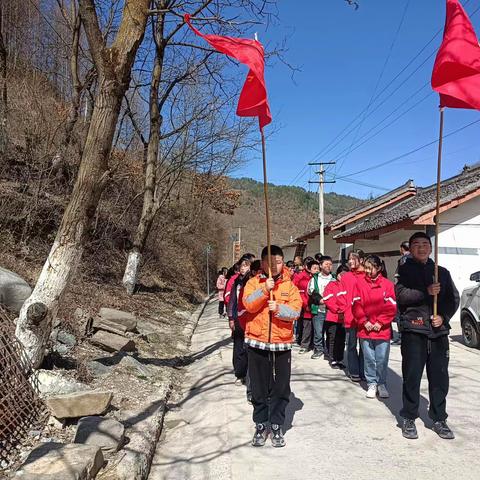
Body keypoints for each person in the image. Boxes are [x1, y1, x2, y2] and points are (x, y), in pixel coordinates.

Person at [395, 232, 459, 440]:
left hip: (438, 332)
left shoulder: (442, 273)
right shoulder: (404, 271)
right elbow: (401, 296)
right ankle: (409, 417)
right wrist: (425, 291)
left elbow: (453, 299)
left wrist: (443, 316)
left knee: (440, 377)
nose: (421, 248)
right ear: (411, 248)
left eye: (425, 244)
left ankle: (439, 418)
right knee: (412, 376)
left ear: (431, 248)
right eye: (416, 244)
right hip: (414, 330)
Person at [243, 245, 302, 448]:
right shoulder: (252, 283)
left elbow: (295, 312)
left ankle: (277, 424)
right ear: (262, 263)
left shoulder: (290, 286)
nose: (274, 265)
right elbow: (248, 304)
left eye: (278, 261)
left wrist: (278, 308)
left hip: (281, 343)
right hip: (256, 341)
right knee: (258, 387)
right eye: (269, 261)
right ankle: (260, 424)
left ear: (283, 262)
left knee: (281, 386)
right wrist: (263, 290)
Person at [352, 255, 396, 399]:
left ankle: (381, 383)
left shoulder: (387, 285)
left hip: (381, 330)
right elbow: (356, 305)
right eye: (366, 267)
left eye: (371, 268)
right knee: (369, 358)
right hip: (365, 328)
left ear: (379, 268)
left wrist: (380, 322)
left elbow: (391, 307)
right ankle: (371, 382)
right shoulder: (359, 283)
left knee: (382, 358)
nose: (367, 271)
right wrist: (365, 321)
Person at [338, 249, 366, 382]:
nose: (350, 261)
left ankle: (364, 371)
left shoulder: (367, 275)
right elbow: (340, 296)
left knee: (365, 346)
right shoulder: (346, 277)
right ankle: (354, 370)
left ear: (361, 260)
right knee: (351, 345)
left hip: (365, 317)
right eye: (349, 259)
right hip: (349, 315)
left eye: (354, 258)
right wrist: (343, 309)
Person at [228, 258, 252, 389]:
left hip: (251, 319)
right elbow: (232, 300)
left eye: (246, 266)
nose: (243, 268)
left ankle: (250, 373)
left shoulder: (253, 281)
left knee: (250, 348)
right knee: (239, 347)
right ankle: (240, 373)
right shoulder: (236, 282)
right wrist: (231, 317)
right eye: (242, 266)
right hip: (238, 318)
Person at [323, 264, 349, 369]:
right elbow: (329, 299)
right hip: (333, 316)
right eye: (341, 274)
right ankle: (333, 359)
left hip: (344, 317)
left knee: (341, 338)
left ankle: (339, 358)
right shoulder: (332, 285)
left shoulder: (348, 286)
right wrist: (338, 310)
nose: (342, 277)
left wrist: (345, 311)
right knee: (332, 337)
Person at [308, 256, 333, 359]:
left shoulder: (334, 278)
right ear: (321, 265)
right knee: (318, 332)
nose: (329, 266)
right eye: (326, 264)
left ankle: (328, 351)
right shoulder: (315, 278)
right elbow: (312, 291)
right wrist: (320, 300)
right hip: (319, 309)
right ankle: (318, 349)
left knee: (330, 332)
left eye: (330, 264)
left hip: (331, 310)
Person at [294, 256, 315, 353]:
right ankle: (304, 344)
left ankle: (312, 343)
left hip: (313, 304)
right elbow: (295, 290)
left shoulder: (315, 276)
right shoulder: (300, 276)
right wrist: (304, 303)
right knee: (305, 325)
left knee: (312, 326)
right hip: (303, 303)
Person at [392, 241, 411, 346]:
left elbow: (398, 277)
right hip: (411, 292)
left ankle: (401, 336)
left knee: (399, 314)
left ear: (402, 248)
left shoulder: (403, 260)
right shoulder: (414, 258)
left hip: (402, 291)